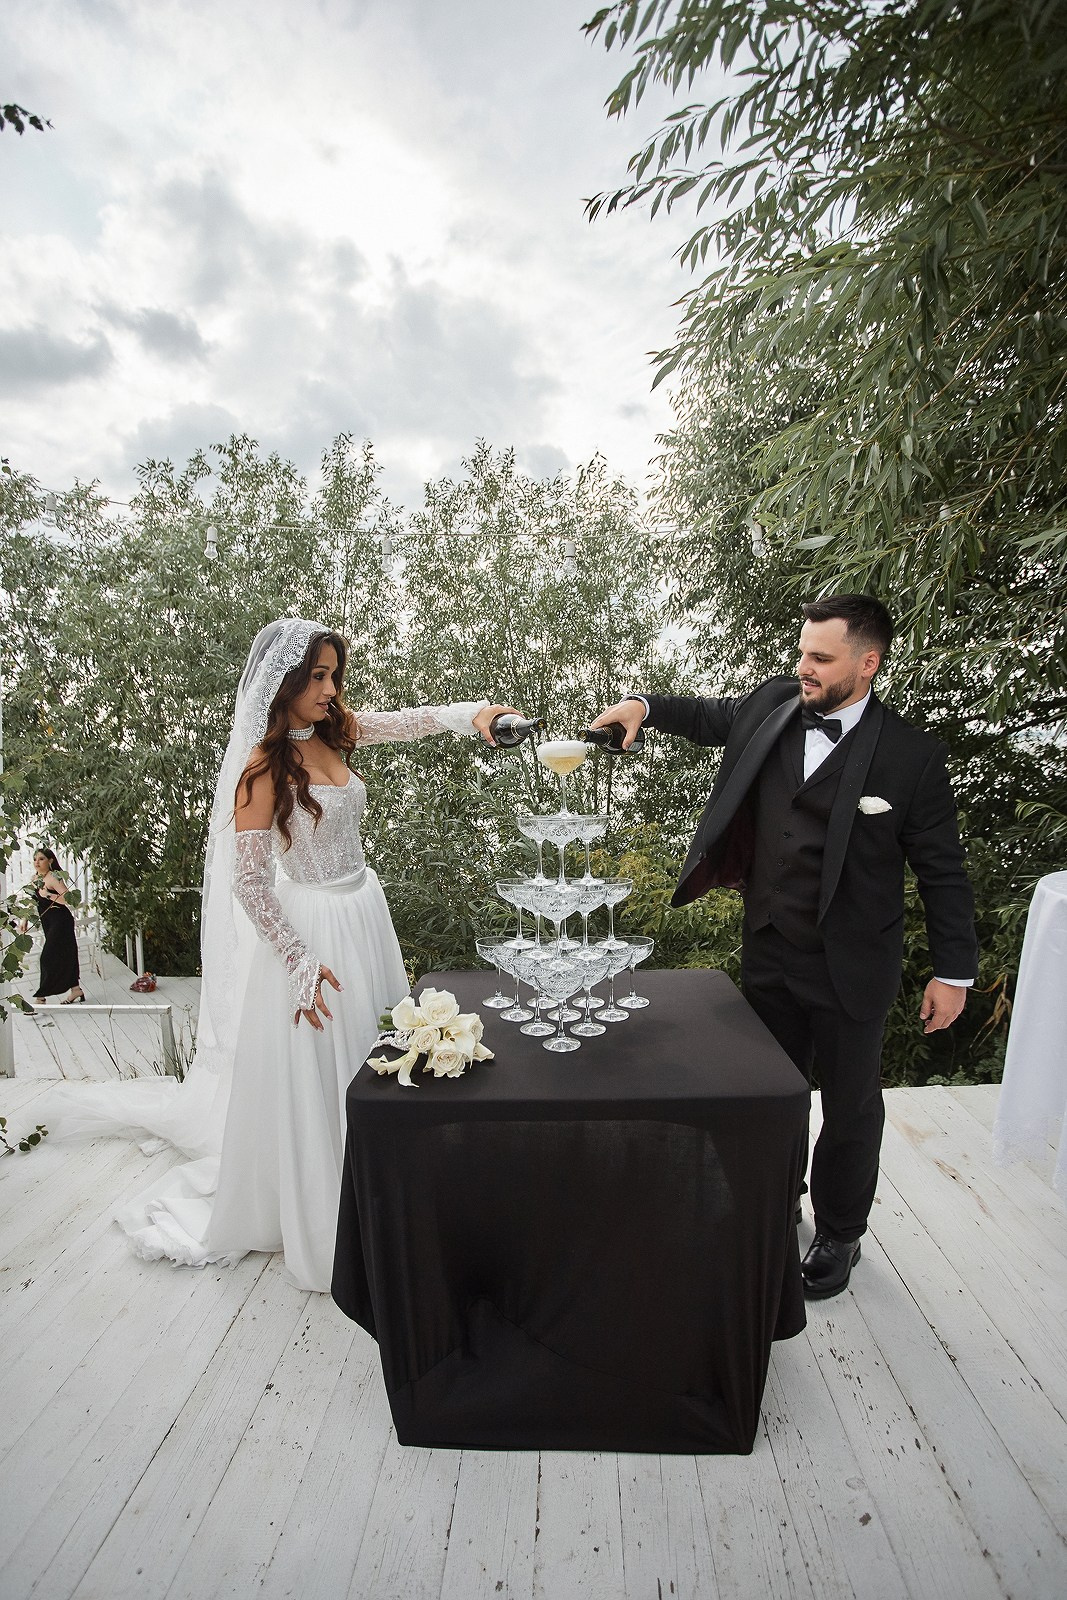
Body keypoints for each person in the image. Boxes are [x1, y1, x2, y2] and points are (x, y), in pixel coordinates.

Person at [41, 618, 518, 1292]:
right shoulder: (262, 769)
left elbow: (408, 722)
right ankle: (332, 1224)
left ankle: (383, 1201)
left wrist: (472, 713)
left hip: (363, 910)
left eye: (333, 675)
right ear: (285, 683)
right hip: (314, 929)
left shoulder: (337, 730)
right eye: (317, 677)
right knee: (327, 1069)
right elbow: (249, 881)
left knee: (372, 1052)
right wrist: (295, 958)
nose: (330, 688)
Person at [591, 594, 978, 1298]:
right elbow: (707, 715)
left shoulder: (911, 757)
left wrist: (953, 972)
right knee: (771, 1093)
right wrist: (640, 704)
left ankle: (839, 1232)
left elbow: (942, 871)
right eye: (801, 651)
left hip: (852, 960)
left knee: (852, 1105)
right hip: (768, 944)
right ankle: (774, 1203)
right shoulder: (773, 701)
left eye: (820, 658)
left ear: (868, 663)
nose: (802, 667)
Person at [27, 847, 84, 1004]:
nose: (37, 862)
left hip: (60, 921)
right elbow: (33, 901)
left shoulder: (54, 877)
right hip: (48, 921)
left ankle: (41, 998)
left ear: (50, 861)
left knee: (46, 957)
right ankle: (76, 990)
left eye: (41, 859)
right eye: (35, 859)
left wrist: (49, 895)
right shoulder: (35, 878)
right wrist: (25, 920)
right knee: (67, 953)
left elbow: (67, 899)